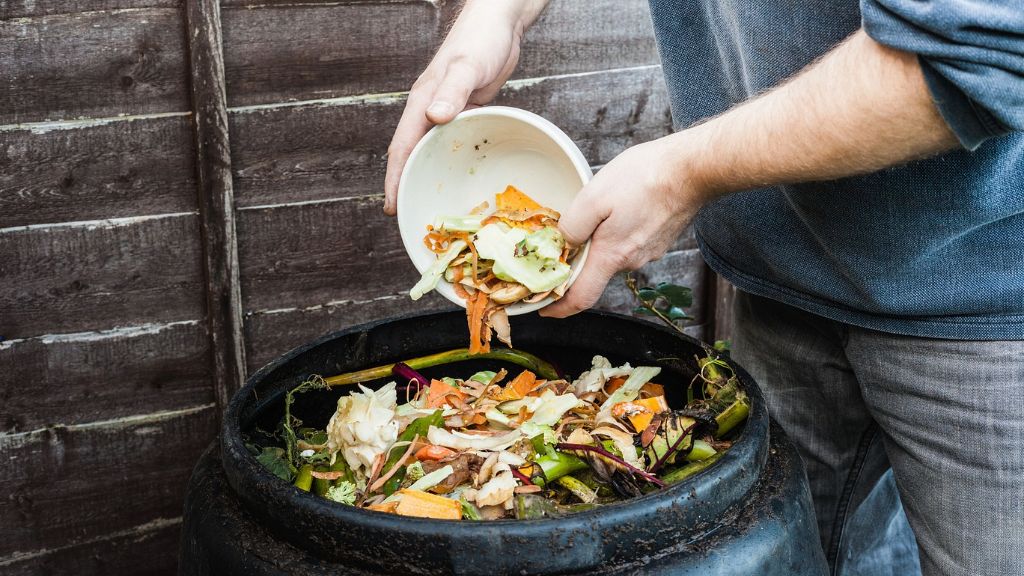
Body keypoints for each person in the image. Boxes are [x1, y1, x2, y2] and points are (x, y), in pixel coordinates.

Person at [383, 1, 1024, 575]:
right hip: (776, 281)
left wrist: (685, 174)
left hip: (983, 305)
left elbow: (968, 56)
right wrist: (498, 13)